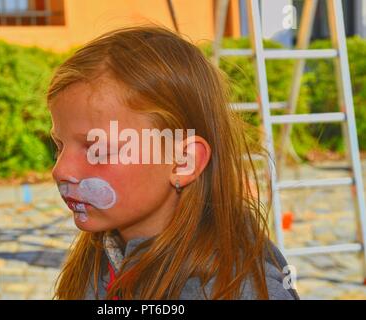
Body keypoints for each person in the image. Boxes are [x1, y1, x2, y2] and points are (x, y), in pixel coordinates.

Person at [47, 25, 299, 300]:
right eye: (59, 146)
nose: (61, 170)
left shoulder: (240, 291)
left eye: (97, 149)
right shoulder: (98, 259)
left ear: (183, 162)